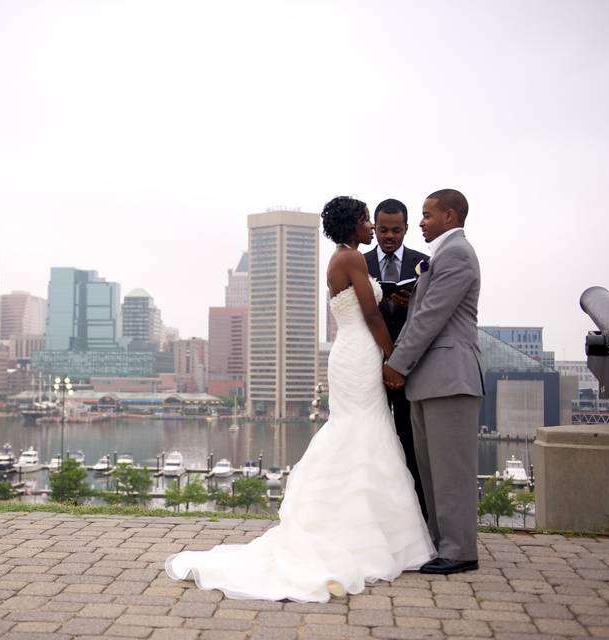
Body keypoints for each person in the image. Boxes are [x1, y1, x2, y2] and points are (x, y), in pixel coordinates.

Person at [165, 196, 434, 602]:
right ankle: (358, 532)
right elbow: (372, 314)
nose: (373, 229)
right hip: (360, 353)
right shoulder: (352, 260)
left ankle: (362, 527)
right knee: (360, 432)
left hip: (352, 352)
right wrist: (393, 357)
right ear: (355, 225)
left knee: (365, 432)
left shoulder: (345, 257)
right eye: (367, 221)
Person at [382, 188, 484, 575]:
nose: (421, 222)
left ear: (451, 216)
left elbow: (431, 317)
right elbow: (422, 311)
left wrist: (396, 363)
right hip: (429, 379)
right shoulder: (442, 255)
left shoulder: (457, 253)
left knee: (451, 471)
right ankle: (442, 544)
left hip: (451, 378)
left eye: (427, 215)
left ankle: (460, 551)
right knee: (431, 471)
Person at [363, 198, 429, 520]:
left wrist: (410, 303)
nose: (389, 236)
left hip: (408, 369)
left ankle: (416, 518)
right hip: (367, 364)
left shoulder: (424, 262)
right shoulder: (358, 262)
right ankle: (373, 514)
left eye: (397, 230)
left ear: (406, 228)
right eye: (384, 230)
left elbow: (432, 315)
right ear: (374, 227)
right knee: (370, 441)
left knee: (410, 441)